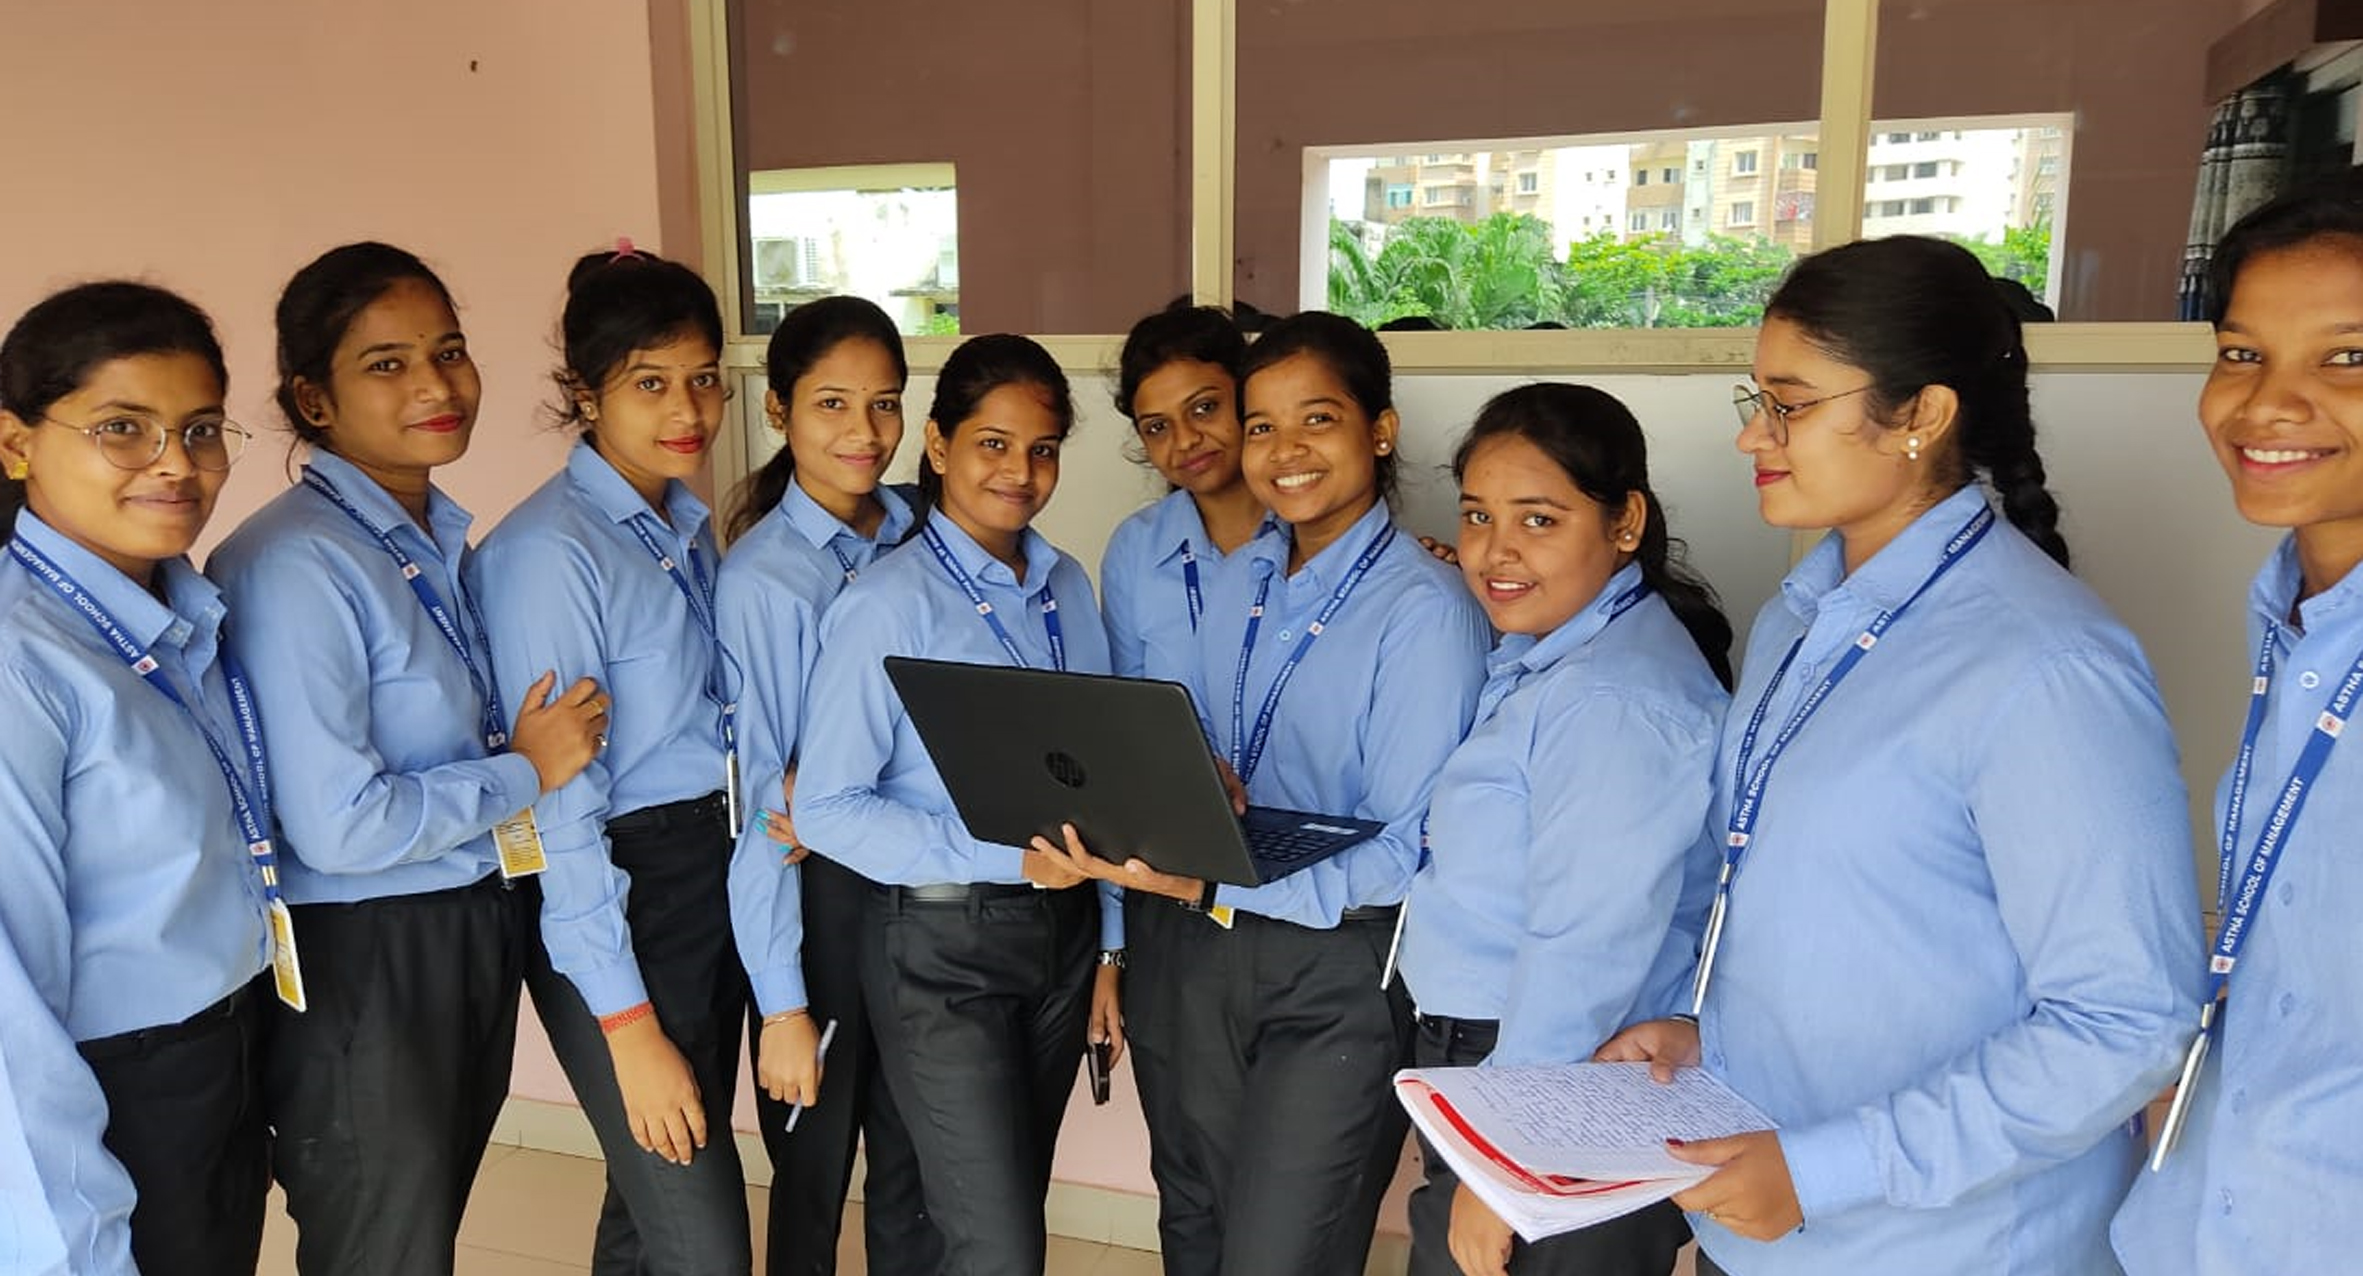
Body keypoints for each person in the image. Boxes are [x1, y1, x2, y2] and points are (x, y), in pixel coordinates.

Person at [1596, 235, 2203, 1275]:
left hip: (1945, 1245)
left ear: (1921, 414)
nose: (1752, 435)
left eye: (1789, 405)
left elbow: (2125, 1021)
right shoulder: (1801, 617)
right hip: (1769, 1226)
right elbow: (1855, 928)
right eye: (1756, 399)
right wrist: (1713, 1039)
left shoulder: (2045, 667)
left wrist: (1825, 1168)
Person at [1045, 310, 1491, 1275]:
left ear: (1380, 429)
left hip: (1330, 966)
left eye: (1316, 420)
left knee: (1281, 1251)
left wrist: (1216, 882)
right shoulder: (1242, 577)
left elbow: (1405, 849)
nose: (1284, 451)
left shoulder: (1426, 607)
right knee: (1193, 1218)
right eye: (1261, 426)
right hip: (1190, 942)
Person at [207, 242, 608, 1275]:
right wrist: (526, 771)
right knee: (382, 1244)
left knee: (416, 1232)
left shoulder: (427, 540)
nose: (436, 384)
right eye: (386, 363)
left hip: (466, 919)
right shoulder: (296, 563)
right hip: (370, 951)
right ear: (313, 398)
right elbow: (341, 828)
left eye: (449, 351)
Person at [794, 334, 1119, 1276]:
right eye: (993, 444)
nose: (1020, 471)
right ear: (937, 446)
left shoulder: (1065, 586)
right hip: (940, 948)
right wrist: (1006, 858)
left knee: (968, 1211)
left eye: (1043, 449)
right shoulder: (888, 604)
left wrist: (1108, 947)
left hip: (1060, 941)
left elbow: (1098, 776)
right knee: (997, 1245)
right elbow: (827, 808)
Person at [1399, 383, 1731, 1276]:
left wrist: (1504, 1162)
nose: (1495, 551)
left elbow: (1582, 944)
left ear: (1626, 523)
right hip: (1511, 1057)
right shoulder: (1557, 654)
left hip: (1559, 1073)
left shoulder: (1611, 698)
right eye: (1477, 515)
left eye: (1538, 520)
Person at [472, 244, 750, 1274]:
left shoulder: (680, 523)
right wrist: (626, 1021)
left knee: (648, 1208)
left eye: (703, 378)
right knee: (701, 1236)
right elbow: (557, 807)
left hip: (710, 871)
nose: (687, 409)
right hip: (621, 896)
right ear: (585, 393)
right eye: (649, 382)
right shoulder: (550, 553)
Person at [2112, 178, 2363, 1274]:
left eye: (2346, 357)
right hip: (2204, 1222)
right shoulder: (2294, 622)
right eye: (2240, 353)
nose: (2267, 403)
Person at [0, 281, 274, 1275]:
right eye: (123, 428)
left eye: (200, 429)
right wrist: (77, 1242)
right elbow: (12, 1015)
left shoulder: (186, 616)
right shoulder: (23, 661)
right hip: (115, 1088)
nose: (177, 463)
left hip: (225, 1053)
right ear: (16, 444)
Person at [714, 295, 941, 1275]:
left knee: (913, 1171)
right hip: (819, 905)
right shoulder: (763, 579)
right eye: (832, 404)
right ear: (778, 410)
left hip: (925, 888)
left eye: (884, 403)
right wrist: (780, 1004)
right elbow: (763, 804)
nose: (865, 432)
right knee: (810, 1177)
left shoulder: (927, 532)